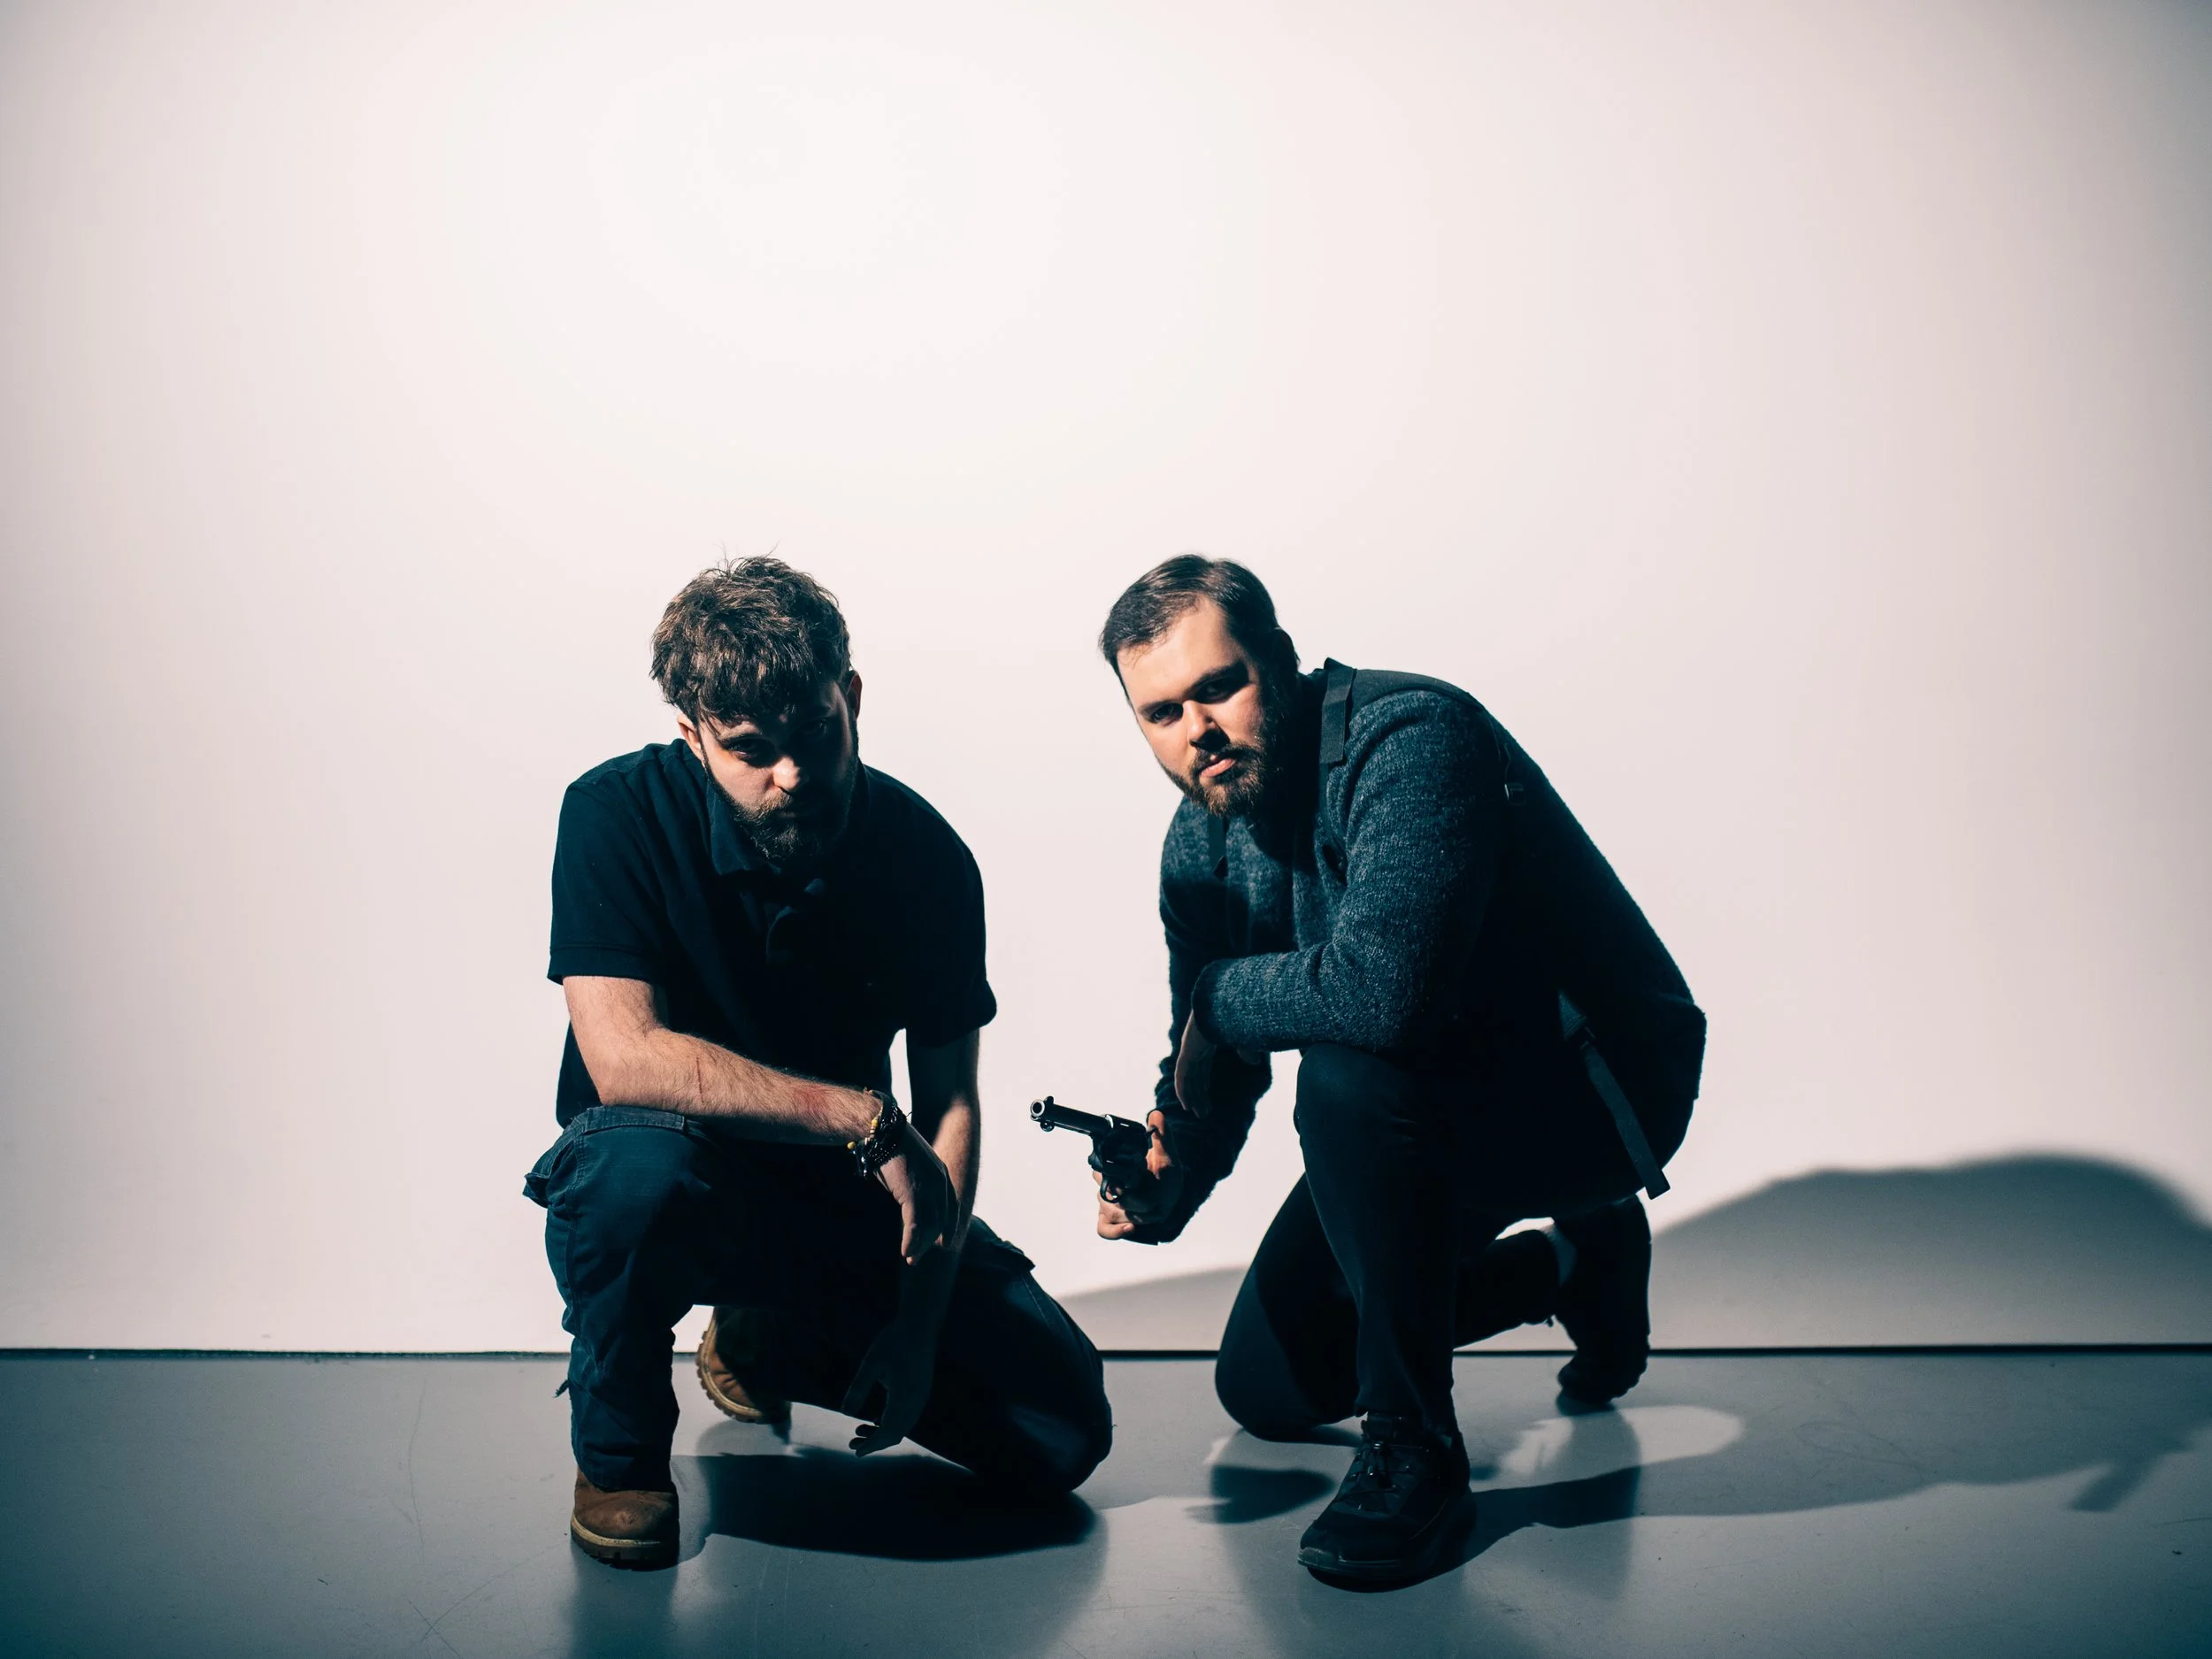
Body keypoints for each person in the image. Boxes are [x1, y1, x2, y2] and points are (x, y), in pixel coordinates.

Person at [1093, 556, 1705, 1584]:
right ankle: (1574, 1263)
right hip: (1418, 1115)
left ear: (1280, 661)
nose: (1197, 729)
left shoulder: (1409, 736)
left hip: (1592, 1096)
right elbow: (1211, 1051)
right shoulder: (1200, 842)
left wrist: (1216, 999)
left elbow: (1387, 993)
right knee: (1268, 1386)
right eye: (1161, 712)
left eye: (1219, 687)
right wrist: (1172, 1174)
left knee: (1348, 1060)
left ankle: (1414, 1445)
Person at [526, 557, 1111, 1570]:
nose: (792, 775)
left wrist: (920, 1323)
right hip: (678, 1181)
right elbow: (624, 1059)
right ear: (693, 736)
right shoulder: (613, 813)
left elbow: (952, 1103)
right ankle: (620, 1459)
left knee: (1060, 1432)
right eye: (751, 751)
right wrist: (862, 1118)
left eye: (815, 734)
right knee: (629, 1173)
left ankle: (772, 1337)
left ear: (852, 697)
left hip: (843, 1201)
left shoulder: (925, 854)